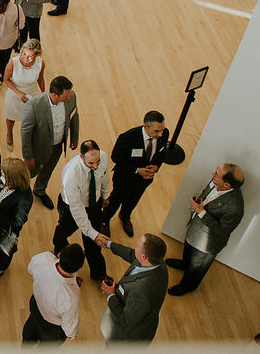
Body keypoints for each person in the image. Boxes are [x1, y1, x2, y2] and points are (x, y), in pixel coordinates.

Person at [166, 163, 245, 296]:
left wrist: (201, 212)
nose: (212, 174)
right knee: (188, 249)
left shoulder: (235, 208)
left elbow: (221, 231)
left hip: (207, 243)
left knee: (196, 267)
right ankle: (184, 264)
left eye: (217, 174)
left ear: (227, 185)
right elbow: (205, 193)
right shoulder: (216, 181)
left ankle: (187, 286)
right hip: (196, 229)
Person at [101, 111, 170, 237]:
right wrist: (137, 170)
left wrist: (156, 166)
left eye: (162, 130)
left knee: (134, 199)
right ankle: (104, 220)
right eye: (156, 131)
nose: (160, 134)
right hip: (125, 178)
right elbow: (116, 158)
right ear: (145, 127)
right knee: (116, 200)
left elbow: (162, 152)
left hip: (144, 180)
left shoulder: (164, 133)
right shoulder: (128, 137)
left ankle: (125, 216)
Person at [52, 140, 110, 282]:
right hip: (71, 207)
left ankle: (99, 274)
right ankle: (59, 248)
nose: (95, 166)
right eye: (91, 163)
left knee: (93, 244)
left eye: (97, 161)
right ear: (81, 157)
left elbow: (105, 177)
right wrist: (91, 232)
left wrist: (105, 195)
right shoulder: (71, 175)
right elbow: (77, 209)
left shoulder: (102, 157)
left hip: (94, 204)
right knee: (63, 232)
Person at [21, 75, 80, 209]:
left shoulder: (72, 97)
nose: (69, 97)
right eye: (66, 95)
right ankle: (20, 193)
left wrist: (74, 137)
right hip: (37, 148)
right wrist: (27, 156)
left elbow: (74, 116)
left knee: (47, 170)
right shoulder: (34, 105)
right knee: (28, 174)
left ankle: (39, 190)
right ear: (54, 95)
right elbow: (25, 132)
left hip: (58, 146)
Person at [100, 234, 169, 344]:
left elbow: (125, 321)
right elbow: (132, 255)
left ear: (143, 257)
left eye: (137, 246)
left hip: (125, 339)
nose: (135, 247)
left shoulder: (142, 292)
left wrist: (110, 295)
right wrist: (109, 245)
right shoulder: (156, 261)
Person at [21, 245, 85, 345]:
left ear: (59, 254)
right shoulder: (71, 298)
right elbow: (69, 330)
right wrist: (72, 335)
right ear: (80, 267)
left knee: (28, 337)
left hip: (35, 309)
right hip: (52, 329)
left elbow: (30, 269)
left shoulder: (44, 259)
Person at [3, 39, 44, 151]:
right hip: (14, 94)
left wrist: (43, 94)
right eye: (24, 54)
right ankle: (9, 133)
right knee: (11, 117)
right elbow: (6, 80)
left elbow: (40, 79)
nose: (26, 58)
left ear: (36, 56)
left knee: (30, 119)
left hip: (31, 94)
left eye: (30, 56)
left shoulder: (40, 63)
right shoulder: (13, 63)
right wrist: (19, 93)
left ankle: (27, 139)